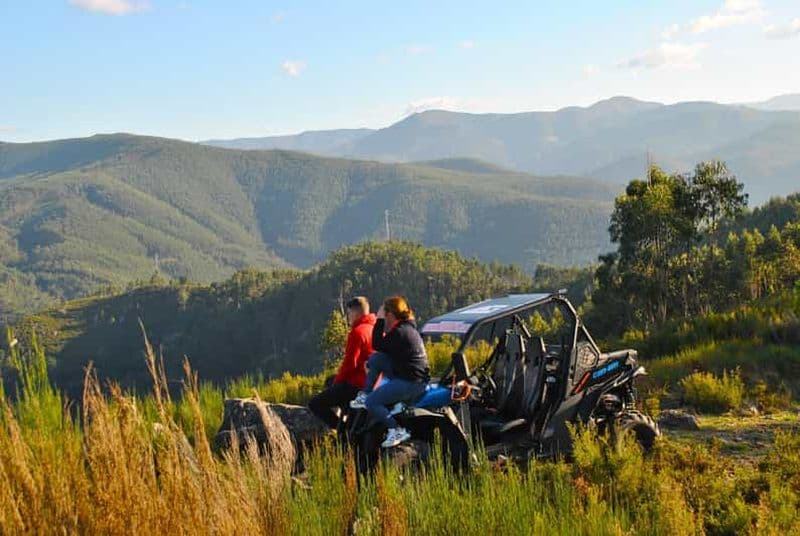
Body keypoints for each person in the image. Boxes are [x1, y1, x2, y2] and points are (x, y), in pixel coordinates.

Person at [350, 295, 430, 448]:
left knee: (372, 402)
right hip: (411, 374)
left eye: (384, 315)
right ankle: (366, 392)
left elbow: (377, 343)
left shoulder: (400, 332)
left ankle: (397, 429)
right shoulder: (407, 328)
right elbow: (380, 352)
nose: (383, 319)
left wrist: (378, 320)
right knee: (376, 359)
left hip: (411, 382)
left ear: (390, 315)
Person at [308, 296, 376, 429]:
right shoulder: (375, 330)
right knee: (330, 380)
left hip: (357, 385)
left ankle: (342, 429)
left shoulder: (358, 332)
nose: (348, 318)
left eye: (349, 314)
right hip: (372, 383)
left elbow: (350, 365)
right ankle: (349, 416)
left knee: (315, 404)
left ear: (355, 313)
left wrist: (337, 383)